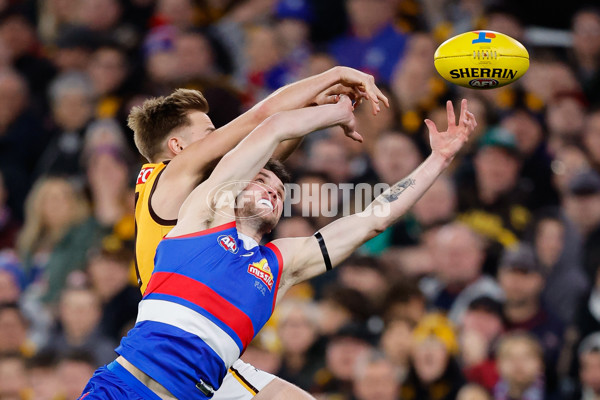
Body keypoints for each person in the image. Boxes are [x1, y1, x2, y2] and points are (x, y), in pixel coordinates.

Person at [79, 95, 476, 399]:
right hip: (119, 386)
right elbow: (268, 130)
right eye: (262, 181)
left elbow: (376, 218)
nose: (271, 190)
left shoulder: (282, 263)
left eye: (279, 190)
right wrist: (332, 110)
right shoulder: (198, 217)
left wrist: (437, 160)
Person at [129, 65, 388, 400]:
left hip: (197, 345)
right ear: (178, 146)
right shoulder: (172, 177)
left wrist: (311, 107)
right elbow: (263, 120)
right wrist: (334, 77)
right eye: (209, 132)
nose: (220, 137)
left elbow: (271, 152)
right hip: (175, 349)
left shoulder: (198, 193)